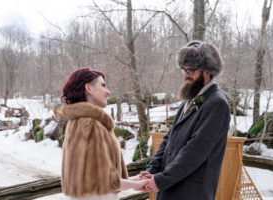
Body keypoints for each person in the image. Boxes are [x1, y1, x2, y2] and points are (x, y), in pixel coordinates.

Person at [140, 40, 231, 200]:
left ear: (207, 71)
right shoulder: (189, 101)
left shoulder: (217, 104)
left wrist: (161, 179)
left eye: (192, 70)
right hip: (171, 187)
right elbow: (170, 137)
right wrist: (153, 168)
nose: (186, 74)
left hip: (192, 193)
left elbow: (195, 151)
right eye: (184, 70)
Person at [61, 67, 148, 200]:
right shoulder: (89, 124)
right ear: (88, 88)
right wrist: (137, 184)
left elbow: (95, 175)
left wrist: (135, 180)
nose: (108, 92)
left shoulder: (83, 121)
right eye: (103, 86)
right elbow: (103, 180)